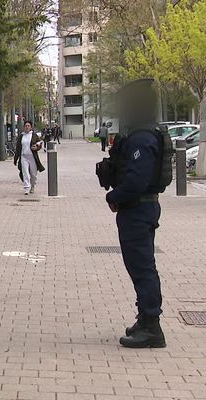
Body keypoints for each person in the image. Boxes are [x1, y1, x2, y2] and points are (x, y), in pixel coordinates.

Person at [100, 78, 173, 348]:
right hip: (141, 207)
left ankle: (152, 326)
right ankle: (146, 320)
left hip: (137, 208)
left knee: (142, 268)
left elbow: (137, 180)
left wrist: (114, 196)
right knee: (140, 266)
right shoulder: (143, 132)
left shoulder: (142, 137)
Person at [14, 121, 45, 195]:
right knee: (25, 173)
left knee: (33, 174)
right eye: (26, 126)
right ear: (24, 127)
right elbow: (18, 148)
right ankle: (27, 188)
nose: (27, 127)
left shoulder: (34, 135)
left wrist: (36, 147)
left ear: (31, 127)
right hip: (23, 157)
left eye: (28, 125)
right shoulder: (21, 136)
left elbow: (39, 143)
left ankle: (33, 185)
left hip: (32, 157)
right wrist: (16, 159)